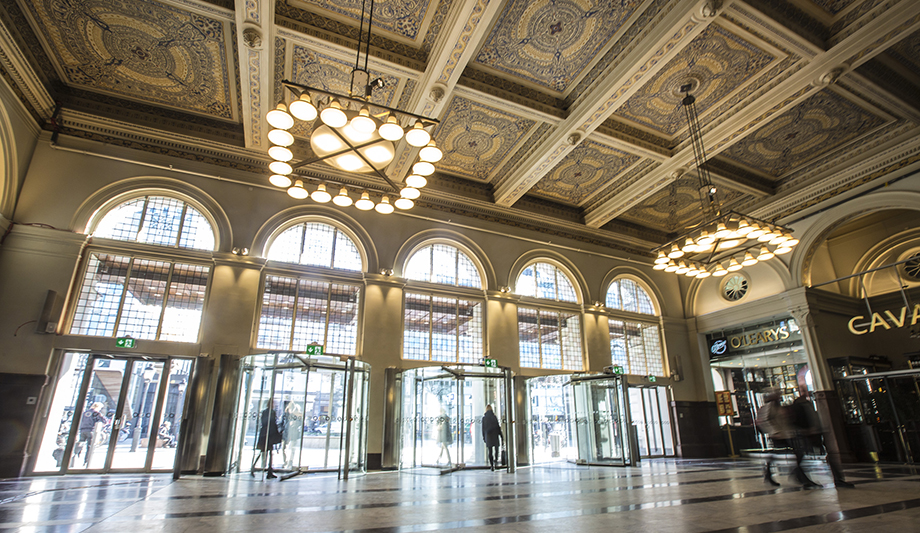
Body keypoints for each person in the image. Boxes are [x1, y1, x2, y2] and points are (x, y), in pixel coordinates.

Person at [790, 383, 855, 489]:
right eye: (803, 390)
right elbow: (796, 421)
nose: (805, 391)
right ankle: (799, 475)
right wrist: (805, 430)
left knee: (824, 455)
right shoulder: (797, 405)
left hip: (815, 433)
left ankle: (837, 479)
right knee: (803, 457)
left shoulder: (807, 403)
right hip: (807, 434)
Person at [755, 388, 793, 486]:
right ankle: (768, 473)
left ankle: (768, 473)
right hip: (777, 434)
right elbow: (764, 420)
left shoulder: (778, 406)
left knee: (777, 454)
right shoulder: (769, 407)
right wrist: (774, 431)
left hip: (783, 433)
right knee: (776, 454)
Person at [251, 404, 283, 479]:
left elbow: (264, 422)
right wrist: (277, 434)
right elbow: (273, 424)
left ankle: (264, 469)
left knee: (264, 452)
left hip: (264, 434)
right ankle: (267, 471)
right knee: (268, 453)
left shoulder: (264, 412)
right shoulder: (272, 412)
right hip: (269, 435)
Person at [77, 402, 107, 466]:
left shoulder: (85, 413)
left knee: (80, 444)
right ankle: (86, 461)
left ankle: (76, 457)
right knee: (89, 446)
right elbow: (104, 421)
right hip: (91, 431)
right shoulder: (96, 413)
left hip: (82, 430)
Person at [481, 404, 503, 471]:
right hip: (495, 435)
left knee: (490, 451)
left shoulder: (484, 418)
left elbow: (483, 429)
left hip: (488, 436)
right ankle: (496, 461)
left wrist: (484, 437)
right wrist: (501, 436)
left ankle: (491, 465)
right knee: (496, 450)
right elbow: (498, 427)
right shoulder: (494, 417)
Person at [281, 401, 302, 469]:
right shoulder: (285, 415)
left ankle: (290, 461)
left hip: (293, 433)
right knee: (284, 448)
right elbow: (281, 423)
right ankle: (286, 461)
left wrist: (294, 424)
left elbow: (300, 423)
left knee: (292, 448)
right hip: (286, 433)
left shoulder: (297, 415)